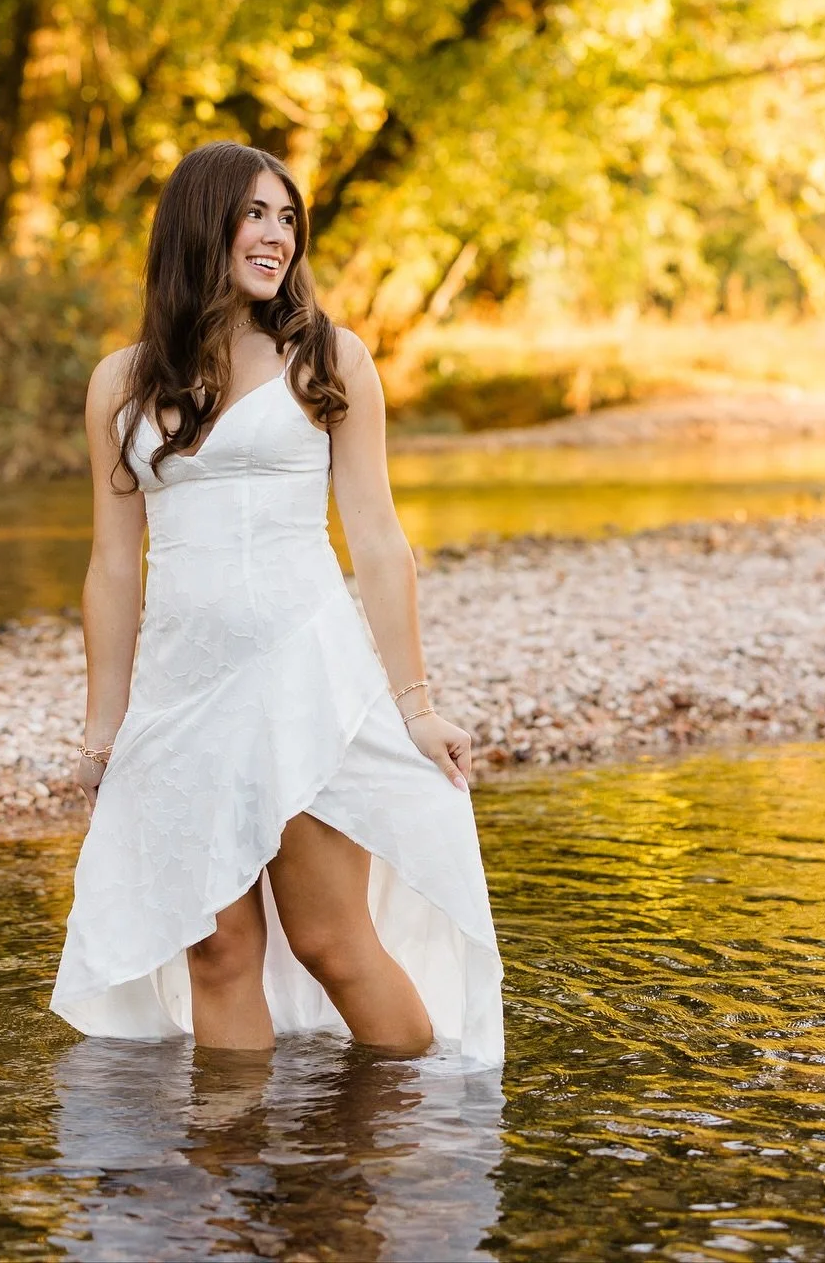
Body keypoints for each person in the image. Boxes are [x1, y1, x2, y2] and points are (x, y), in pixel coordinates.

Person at [50, 141, 503, 1065]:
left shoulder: (329, 358)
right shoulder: (120, 383)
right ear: (199, 224)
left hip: (308, 681)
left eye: (288, 218)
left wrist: (418, 706)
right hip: (183, 697)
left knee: (331, 941)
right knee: (217, 954)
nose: (277, 236)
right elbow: (110, 568)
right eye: (255, 214)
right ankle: (229, 1192)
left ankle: (401, 1151)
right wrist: (103, 738)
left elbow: (377, 542)